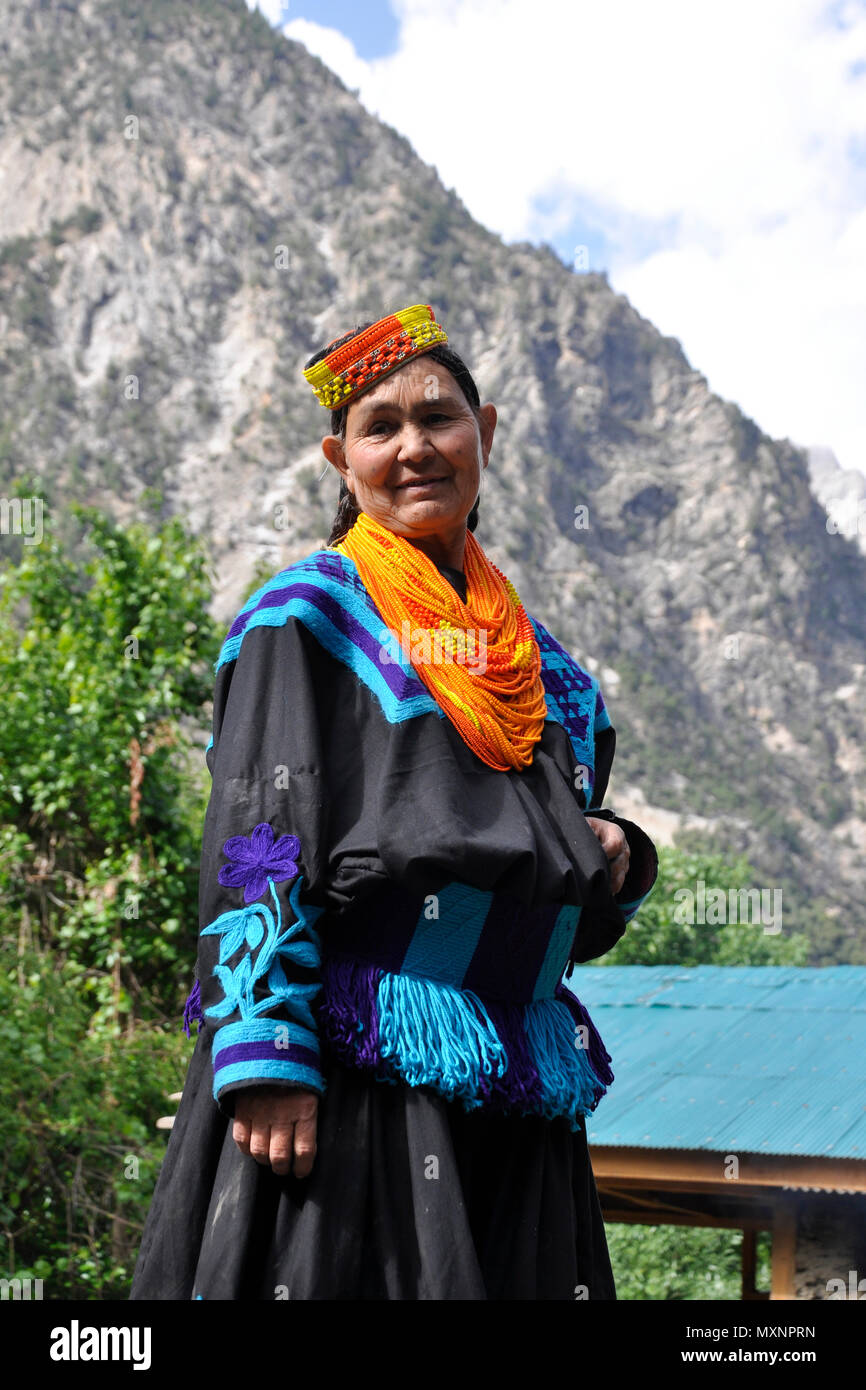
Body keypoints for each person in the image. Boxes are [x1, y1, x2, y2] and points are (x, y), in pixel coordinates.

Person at [130, 302, 657, 1301]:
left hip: (518, 1093)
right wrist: (268, 1052)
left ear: (484, 434)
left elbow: (571, 910)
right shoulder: (306, 619)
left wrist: (618, 854)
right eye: (380, 426)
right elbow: (259, 832)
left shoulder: (556, 677)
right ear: (342, 459)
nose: (413, 446)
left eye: (438, 417)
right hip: (355, 1073)